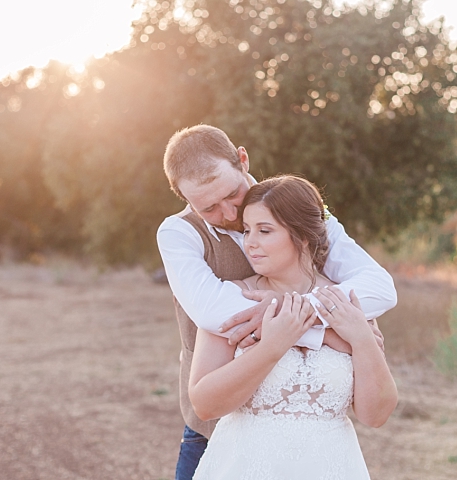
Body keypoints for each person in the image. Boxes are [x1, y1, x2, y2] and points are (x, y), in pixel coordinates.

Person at [156, 125, 397, 480]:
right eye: (208, 207)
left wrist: (319, 315)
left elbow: (379, 287)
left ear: (242, 159)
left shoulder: (298, 211)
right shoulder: (178, 234)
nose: (229, 213)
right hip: (221, 436)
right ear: (186, 199)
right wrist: (328, 333)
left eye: (233, 194)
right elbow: (214, 313)